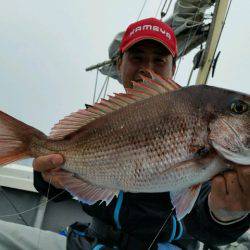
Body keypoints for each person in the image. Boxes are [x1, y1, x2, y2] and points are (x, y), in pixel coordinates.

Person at [0, 17, 249, 250]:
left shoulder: (212, 142)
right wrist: (46, 177)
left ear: (174, 66)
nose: (147, 69)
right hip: (90, 241)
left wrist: (226, 215)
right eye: (137, 58)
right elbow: (59, 192)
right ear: (119, 63)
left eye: (159, 60)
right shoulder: (96, 123)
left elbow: (208, 227)